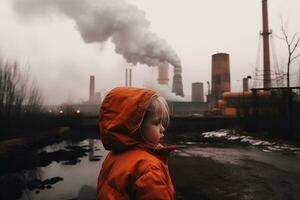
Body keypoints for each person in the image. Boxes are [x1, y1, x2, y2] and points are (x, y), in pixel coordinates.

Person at [97, 87, 176, 200]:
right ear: (136, 126)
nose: (162, 129)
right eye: (156, 123)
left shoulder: (113, 156)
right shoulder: (149, 168)